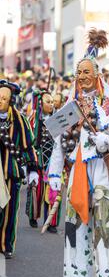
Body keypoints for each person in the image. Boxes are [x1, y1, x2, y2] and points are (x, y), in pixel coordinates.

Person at [48, 29, 109, 277]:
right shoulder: (71, 105)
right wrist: (54, 172)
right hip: (78, 170)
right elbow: (58, 139)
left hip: (105, 171)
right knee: (75, 223)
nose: (82, 77)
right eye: (79, 73)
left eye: (87, 72)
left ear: (98, 76)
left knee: (106, 222)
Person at [0, 80, 38, 258]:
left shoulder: (19, 120)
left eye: (4, 98)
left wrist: (33, 169)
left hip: (11, 172)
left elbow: (28, 146)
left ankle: (6, 246)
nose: (1, 100)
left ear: (10, 101)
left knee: (9, 211)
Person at [26, 90, 61, 233]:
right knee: (37, 191)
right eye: (48, 102)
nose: (51, 105)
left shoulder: (58, 118)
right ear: (41, 103)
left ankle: (51, 222)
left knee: (53, 191)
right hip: (38, 160)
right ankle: (33, 217)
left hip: (54, 160)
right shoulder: (33, 119)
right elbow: (28, 140)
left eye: (53, 102)